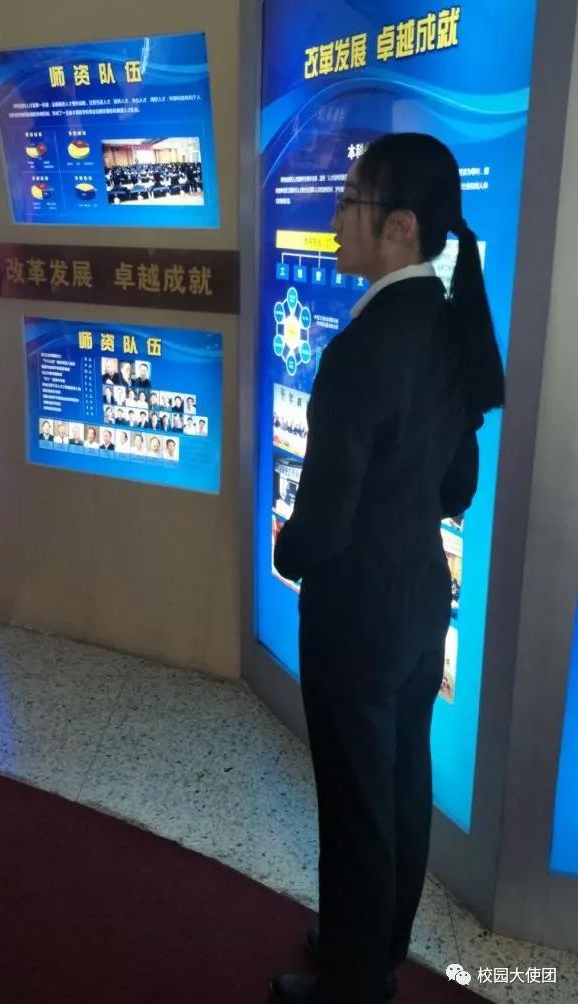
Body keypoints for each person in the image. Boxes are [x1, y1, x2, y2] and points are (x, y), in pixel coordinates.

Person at [270, 134, 504, 1004]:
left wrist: (288, 552)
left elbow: (323, 518)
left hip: (357, 612)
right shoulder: (450, 326)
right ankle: (373, 944)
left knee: (354, 802)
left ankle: (352, 984)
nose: (335, 218)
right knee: (401, 783)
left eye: (350, 202)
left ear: (401, 226)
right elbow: (458, 484)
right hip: (418, 597)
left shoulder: (362, 348)